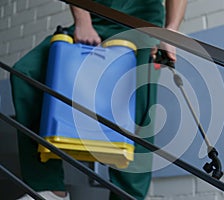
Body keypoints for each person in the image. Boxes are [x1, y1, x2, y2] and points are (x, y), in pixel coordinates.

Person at [11, 0, 187, 199]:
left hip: (141, 24)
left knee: (137, 105)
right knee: (26, 73)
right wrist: (83, 21)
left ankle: (128, 196)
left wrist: (170, 31)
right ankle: (48, 187)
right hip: (94, 17)